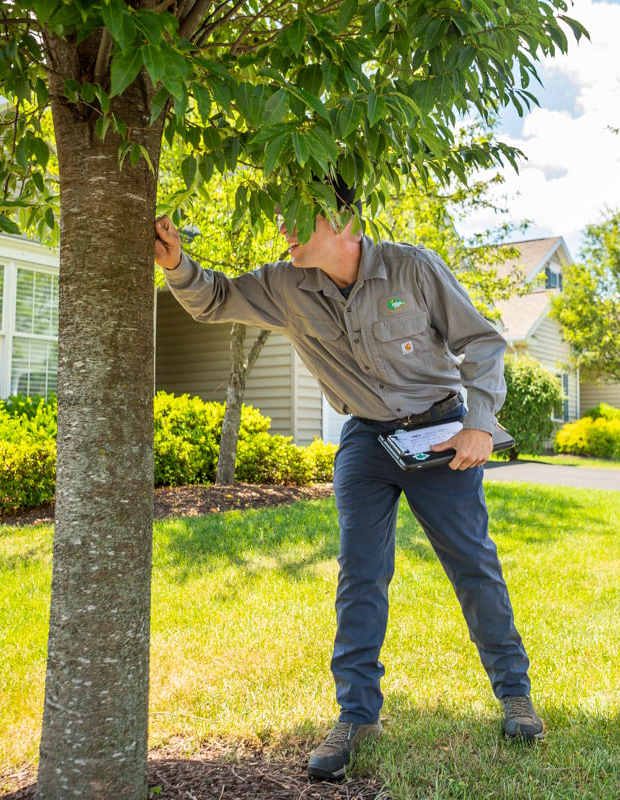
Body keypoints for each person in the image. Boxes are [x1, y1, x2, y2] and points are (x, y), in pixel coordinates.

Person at [153, 178, 544, 781]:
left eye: (294, 218)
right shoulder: (284, 285)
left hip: (440, 434)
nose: (282, 228)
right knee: (361, 573)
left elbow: (482, 343)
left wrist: (481, 426)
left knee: (471, 562)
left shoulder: (413, 269)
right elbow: (215, 298)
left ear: (340, 222)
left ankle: (514, 694)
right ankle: (356, 716)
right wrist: (177, 262)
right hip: (366, 439)